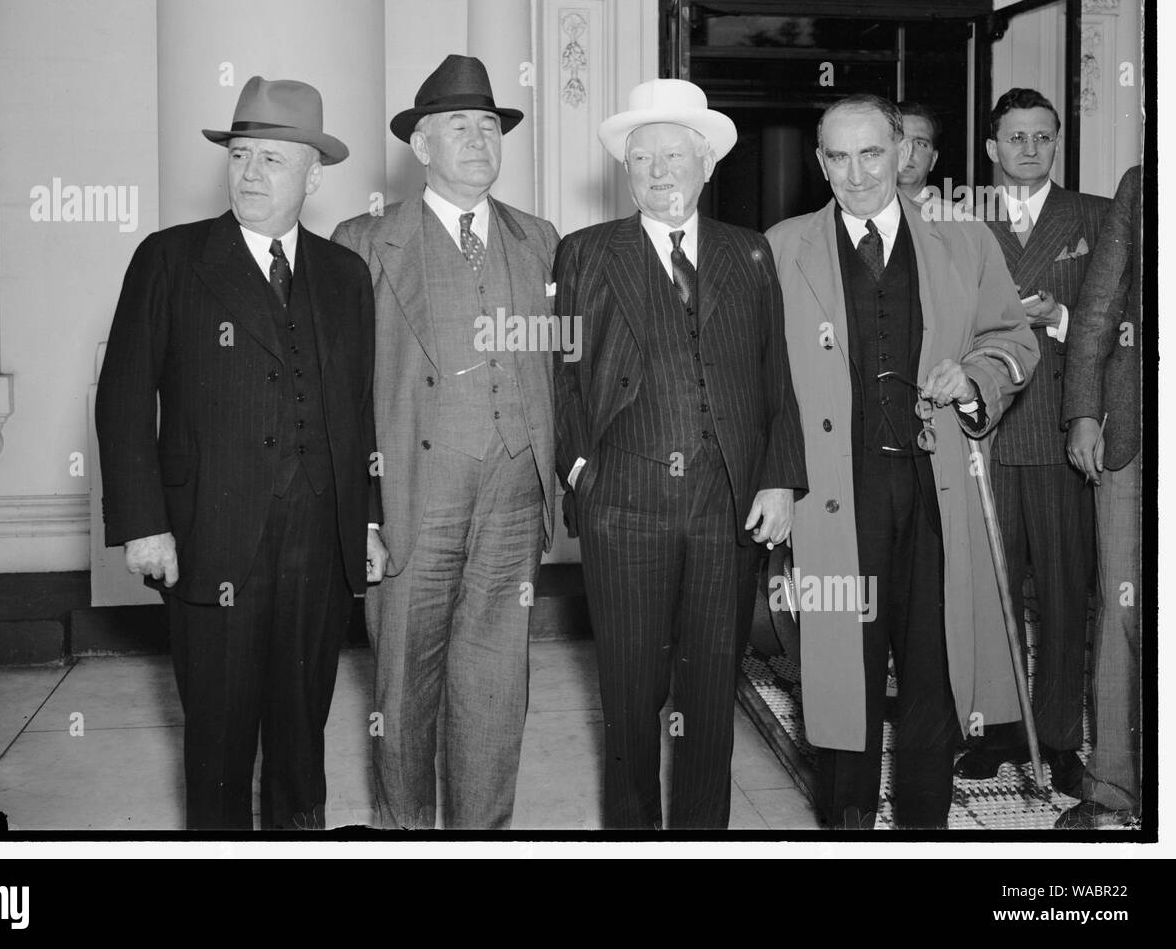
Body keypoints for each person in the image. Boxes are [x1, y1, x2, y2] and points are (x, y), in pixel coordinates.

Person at [96, 76, 385, 830]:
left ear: (314, 175)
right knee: (220, 741)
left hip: (320, 545)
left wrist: (369, 521)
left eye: (273, 160)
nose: (251, 174)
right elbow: (123, 400)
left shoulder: (346, 275)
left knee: (302, 733)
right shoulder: (170, 260)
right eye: (241, 156)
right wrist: (143, 523)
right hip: (212, 538)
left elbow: (359, 412)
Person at [766, 93, 1038, 829]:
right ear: (821, 163)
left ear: (903, 153)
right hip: (832, 496)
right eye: (839, 157)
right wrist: (775, 482)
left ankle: (925, 829)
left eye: (872, 153)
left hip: (935, 491)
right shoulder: (780, 247)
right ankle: (848, 828)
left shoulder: (963, 239)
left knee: (934, 670)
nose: (857, 173)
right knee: (841, 677)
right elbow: (759, 381)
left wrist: (976, 379)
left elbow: (1014, 341)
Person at [554, 78, 806, 829]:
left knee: (709, 693)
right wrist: (579, 473)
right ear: (626, 171)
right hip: (623, 504)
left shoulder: (750, 253)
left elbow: (775, 376)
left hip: (725, 505)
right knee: (630, 698)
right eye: (643, 158)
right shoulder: (586, 254)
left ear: (706, 163)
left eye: (674, 155)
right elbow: (559, 377)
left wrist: (779, 481)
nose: (659, 171)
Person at [332, 54, 559, 829]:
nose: (477, 139)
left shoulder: (540, 239)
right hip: (408, 499)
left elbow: (564, 368)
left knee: (497, 689)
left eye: (490, 125)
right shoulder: (363, 241)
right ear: (421, 147)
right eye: (457, 125)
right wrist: (362, 509)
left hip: (513, 499)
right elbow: (341, 392)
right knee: (403, 689)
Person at [955, 88, 1108, 796]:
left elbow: (1112, 326)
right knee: (989, 592)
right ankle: (992, 730)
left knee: (1063, 588)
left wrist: (1061, 317)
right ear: (991, 149)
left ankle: (1057, 738)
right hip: (981, 434)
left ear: (1056, 143)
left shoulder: (1093, 218)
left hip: (1054, 432)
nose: (1029, 149)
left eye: (1042, 137)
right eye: (1014, 138)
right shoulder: (952, 221)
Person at [1057, 164, 1142, 828]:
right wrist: (1084, 410)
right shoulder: (1143, 184)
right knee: (1121, 607)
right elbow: (1097, 309)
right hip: (1135, 432)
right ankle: (1113, 782)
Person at [896, 101, 941, 203]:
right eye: (900, 140)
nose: (909, 152)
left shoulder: (957, 218)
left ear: (933, 160)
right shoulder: (856, 215)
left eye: (920, 144)